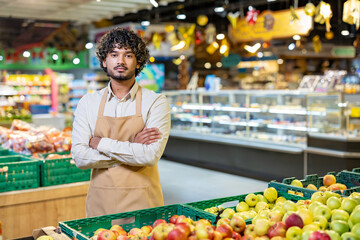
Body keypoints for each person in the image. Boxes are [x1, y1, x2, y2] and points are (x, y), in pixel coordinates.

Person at [71, 27, 171, 217]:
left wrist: (102, 143)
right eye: (114, 54)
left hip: (143, 202)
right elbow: (80, 157)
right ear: (104, 60)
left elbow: (150, 156)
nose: (120, 61)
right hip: (101, 204)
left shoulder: (156, 102)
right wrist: (132, 148)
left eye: (128, 55)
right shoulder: (88, 103)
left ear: (138, 61)